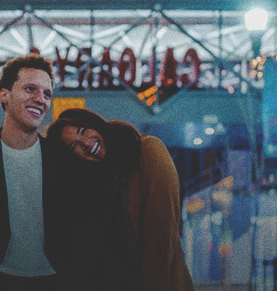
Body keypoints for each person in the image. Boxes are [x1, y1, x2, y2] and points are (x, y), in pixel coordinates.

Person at [0, 54, 114, 291]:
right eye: (30, 89)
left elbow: (86, 229)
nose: (40, 99)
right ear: (4, 95)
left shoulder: (64, 160)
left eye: (47, 94)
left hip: (56, 283)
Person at [46, 108, 195, 291]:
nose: (85, 143)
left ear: (95, 125)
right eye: (73, 146)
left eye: (83, 131)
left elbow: (161, 240)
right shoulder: (93, 186)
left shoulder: (148, 152)